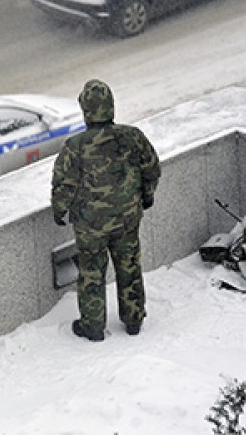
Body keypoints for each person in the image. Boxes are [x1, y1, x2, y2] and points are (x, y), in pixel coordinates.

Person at [51, 79, 160, 341]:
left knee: (91, 272)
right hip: (127, 219)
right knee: (129, 266)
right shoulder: (132, 136)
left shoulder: (75, 146)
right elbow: (152, 168)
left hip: (90, 226)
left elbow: (63, 184)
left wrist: (59, 211)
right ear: (110, 106)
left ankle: (93, 326)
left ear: (86, 110)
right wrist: (146, 196)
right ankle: (133, 320)